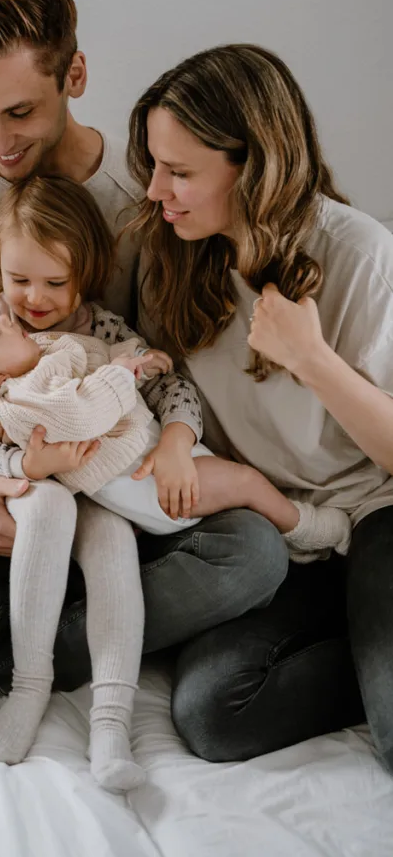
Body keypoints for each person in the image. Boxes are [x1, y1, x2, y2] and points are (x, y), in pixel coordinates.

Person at [0, 0, 288, 739]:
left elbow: (162, 361)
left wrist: (170, 448)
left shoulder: (150, 196)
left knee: (252, 556)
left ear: (73, 75)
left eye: (19, 112)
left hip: (120, 477)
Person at [0, 173, 330, 789]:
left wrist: (178, 443)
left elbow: (169, 386)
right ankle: (27, 686)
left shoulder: (101, 330)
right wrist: (24, 468)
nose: (32, 300)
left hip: (115, 486)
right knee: (40, 528)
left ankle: (111, 725)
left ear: (88, 273)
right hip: (46, 497)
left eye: (55, 283)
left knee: (120, 559)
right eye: (17, 280)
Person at [127, 42, 393, 770]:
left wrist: (310, 357)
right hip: (278, 528)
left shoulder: (359, 254)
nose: (155, 190)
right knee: (214, 714)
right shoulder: (175, 257)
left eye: (179, 172)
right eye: (154, 165)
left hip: (376, 515)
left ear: (254, 168)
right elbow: (160, 389)